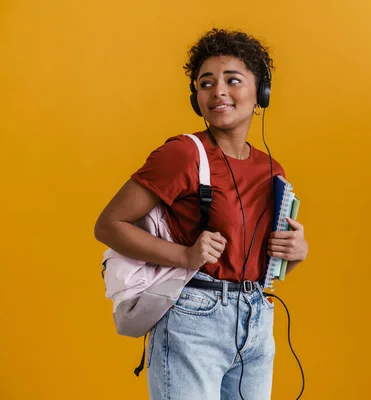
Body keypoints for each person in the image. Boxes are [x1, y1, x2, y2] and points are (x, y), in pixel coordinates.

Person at [94, 28, 308, 400]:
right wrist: (185, 255)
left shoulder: (272, 170)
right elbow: (109, 224)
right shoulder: (183, 153)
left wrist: (295, 253)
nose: (218, 91)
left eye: (233, 80)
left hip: (256, 319)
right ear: (196, 98)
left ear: (261, 93)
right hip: (194, 320)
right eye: (205, 83)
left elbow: (256, 260)